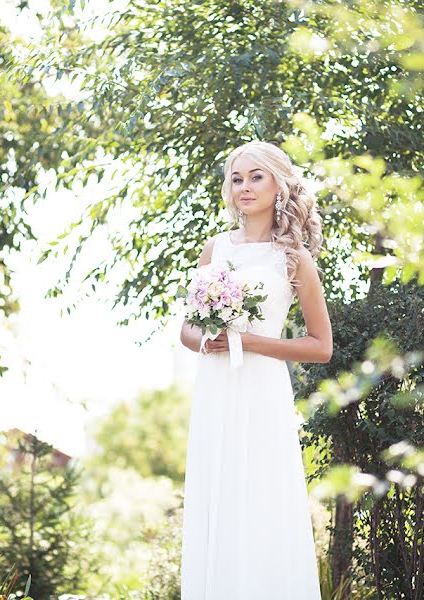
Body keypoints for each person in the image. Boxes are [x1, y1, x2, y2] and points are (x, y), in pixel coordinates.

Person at [178, 140, 332, 599]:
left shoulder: (294, 257)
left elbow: (321, 346)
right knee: (218, 495)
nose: (244, 187)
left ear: (278, 183)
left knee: (263, 498)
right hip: (216, 388)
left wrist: (249, 341)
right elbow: (186, 328)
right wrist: (209, 340)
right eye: (237, 178)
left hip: (262, 389)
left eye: (255, 176)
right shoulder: (216, 248)